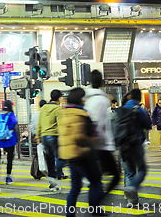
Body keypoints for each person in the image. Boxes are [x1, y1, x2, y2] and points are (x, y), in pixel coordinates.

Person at [58, 88, 105, 217]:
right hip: (82, 154)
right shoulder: (81, 114)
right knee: (96, 182)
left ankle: (70, 214)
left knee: (75, 188)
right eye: (83, 98)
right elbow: (82, 137)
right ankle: (95, 211)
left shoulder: (65, 113)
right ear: (79, 100)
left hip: (70, 155)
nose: (85, 101)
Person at [84, 70, 120, 196]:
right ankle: (98, 203)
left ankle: (95, 207)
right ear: (102, 82)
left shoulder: (86, 98)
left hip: (90, 144)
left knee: (96, 178)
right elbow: (99, 122)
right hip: (101, 144)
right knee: (115, 176)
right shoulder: (103, 100)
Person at [116, 88, 151, 205]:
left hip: (122, 145)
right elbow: (148, 125)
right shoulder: (138, 110)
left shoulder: (120, 110)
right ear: (140, 98)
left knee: (129, 172)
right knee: (142, 169)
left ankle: (131, 200)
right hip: (135, 144)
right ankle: (132, 188)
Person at [37, 89, 66, 190]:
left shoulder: (44, 108)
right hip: (54, 136)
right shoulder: (58, 109)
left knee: (50, 160)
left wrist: (38, 136)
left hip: (44, 137)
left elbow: (39, 123)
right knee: (61, 158)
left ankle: (52, 183)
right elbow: (61, 125)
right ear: (59, 98)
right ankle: (55, 176)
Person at [0, 100, 18, 185]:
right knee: (9, 159)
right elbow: (14, 125)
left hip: (0, 139)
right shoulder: (11, 115)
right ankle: (8, 177)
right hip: (10, 140)